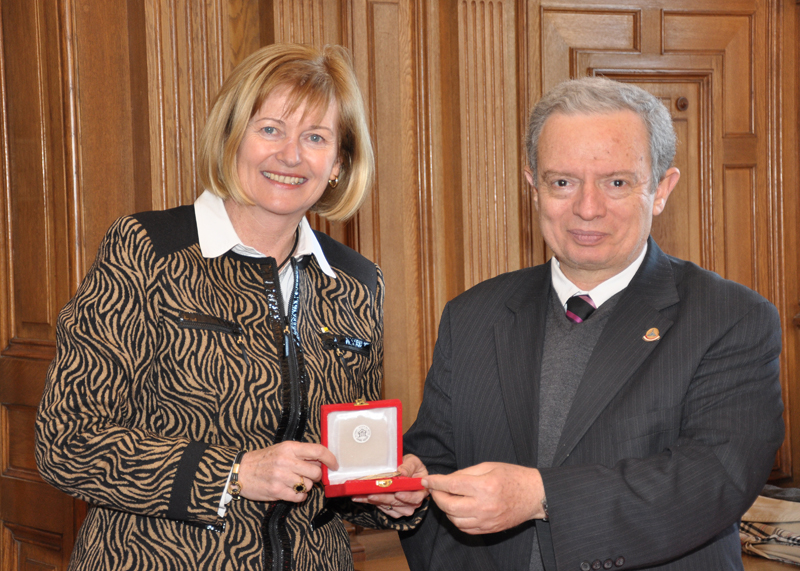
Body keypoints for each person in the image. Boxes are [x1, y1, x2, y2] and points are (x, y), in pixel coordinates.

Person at [35, 43, 427, 570]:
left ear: (338, 163)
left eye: (315, 138)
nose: (290, 155)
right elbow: (67, 440)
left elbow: (342, 466)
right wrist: (234, 473)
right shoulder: (147, 250)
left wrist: (390, 496)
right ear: (231, 136)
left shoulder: (357, 282)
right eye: (270, 129)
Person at [400, 77, 784, 570]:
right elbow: (434, 460)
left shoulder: (731, 318)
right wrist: (405, 493)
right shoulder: (471, 314)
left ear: (662, 189)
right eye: (562, 182)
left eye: (616, 182)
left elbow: (714, 479)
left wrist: (542, 496)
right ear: (533, 187)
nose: (587, 208)